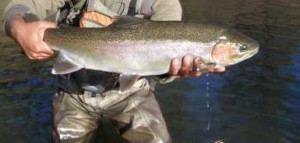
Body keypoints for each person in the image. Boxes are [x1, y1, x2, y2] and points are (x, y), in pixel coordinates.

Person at [3, 0, 225, 142]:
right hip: (73, 92)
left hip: (131, 94)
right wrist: (18, 27)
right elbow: (21, 5)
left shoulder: (163, 3)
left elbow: (164, 65)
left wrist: (174, 71)